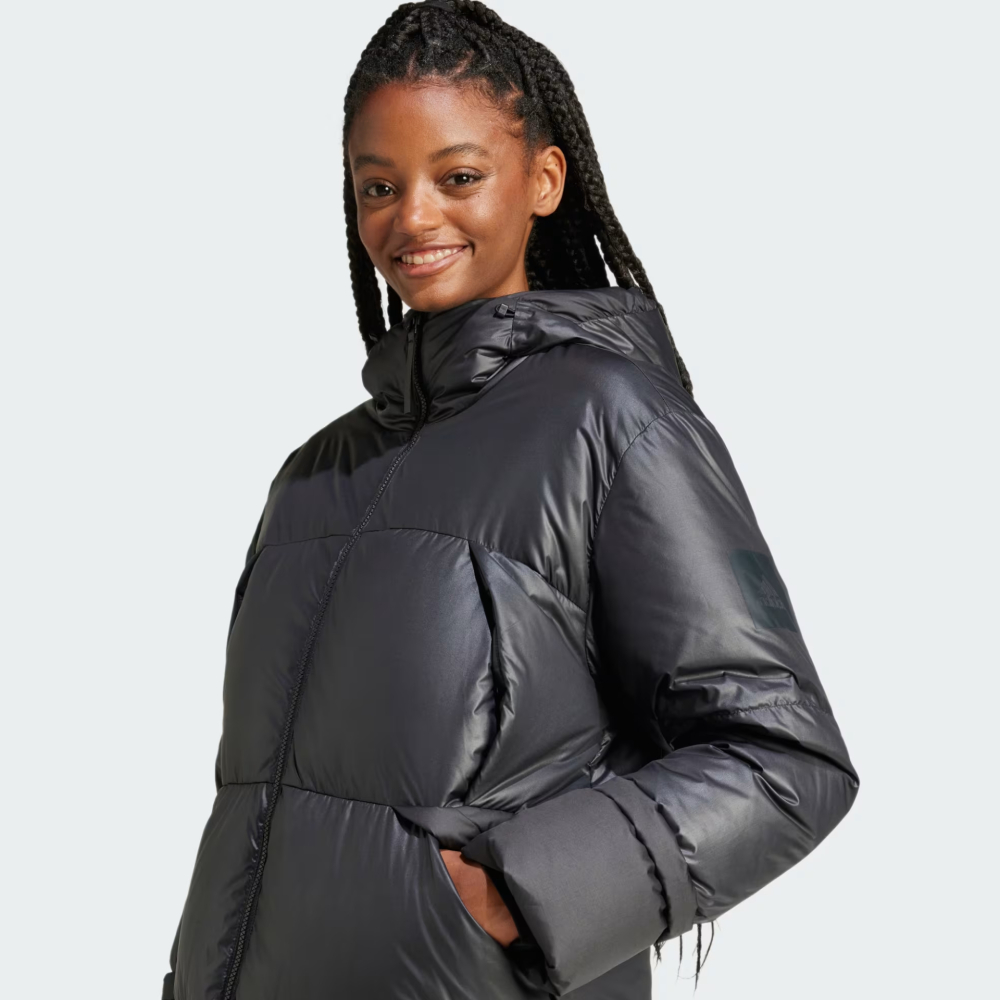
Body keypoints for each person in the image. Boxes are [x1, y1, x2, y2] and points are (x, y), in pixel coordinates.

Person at [160, 2, 859, 998]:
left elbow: (781, 756)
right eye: (378, 186)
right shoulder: (313, 474)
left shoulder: (612, 422)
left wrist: (523, 893)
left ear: (543, 180)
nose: (412, 218)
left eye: (457, 177)